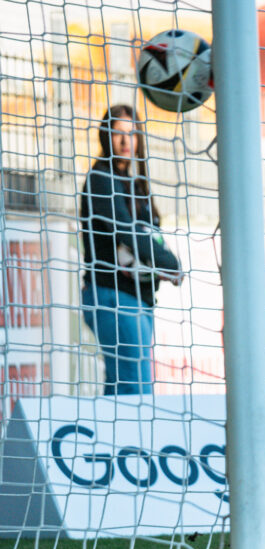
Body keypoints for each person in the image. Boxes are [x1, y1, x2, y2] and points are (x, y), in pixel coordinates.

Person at [79, 105, 183, 395]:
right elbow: (127, 230)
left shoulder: (136, 185)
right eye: (118, 133)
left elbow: (150, 236)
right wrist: (169, 263)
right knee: (136, 394)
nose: (126, 141)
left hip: (139, 299)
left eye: (132, 133)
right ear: (105, 136)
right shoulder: (101, 178)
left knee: (121, 392)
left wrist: (156, 264)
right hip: (113, 297)